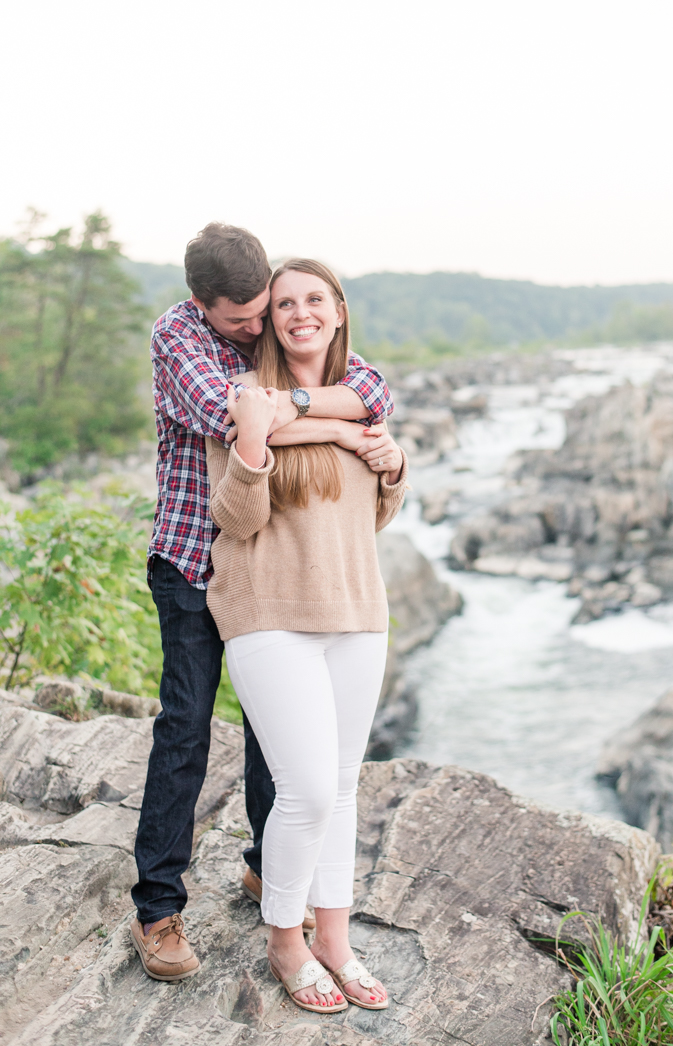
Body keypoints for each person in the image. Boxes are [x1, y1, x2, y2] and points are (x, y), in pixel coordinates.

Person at [130, 225, 396, 982]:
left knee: (274, 731)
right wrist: (346, 432)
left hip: (271, 572)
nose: (257, 331)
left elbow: (372, 389)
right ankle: (158, 909)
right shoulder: (178, 338)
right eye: (241, 321)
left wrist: (334, 421)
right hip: (190, 557)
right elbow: (232, 420)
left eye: (262, 313)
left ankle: (264, 868)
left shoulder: (279, 326)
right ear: (200, 304)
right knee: (185, 726)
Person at [205, 259, 407, 1013]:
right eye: (285, 302)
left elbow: (371, 518)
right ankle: (285, 941)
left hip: (357, 612)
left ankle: (336, 939)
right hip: (269, 615)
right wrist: (258, 444)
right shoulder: (246, 398)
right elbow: (237, 519)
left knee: (345, 789)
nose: (299, 312)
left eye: (313, 299)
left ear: (337, 309)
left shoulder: (365, 397)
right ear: (270, 317)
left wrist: (390, 466)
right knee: (308, 790)